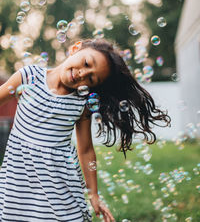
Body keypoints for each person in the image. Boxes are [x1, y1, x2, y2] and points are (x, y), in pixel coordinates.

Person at [0, 38, 171, 222]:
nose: (83, 74)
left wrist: (94, 194)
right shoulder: (28, 76)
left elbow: (86, 149)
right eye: (87, 63)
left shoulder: (81, 103)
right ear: (75, 48)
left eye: (91, 78)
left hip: (58, 185)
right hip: (19, 180)